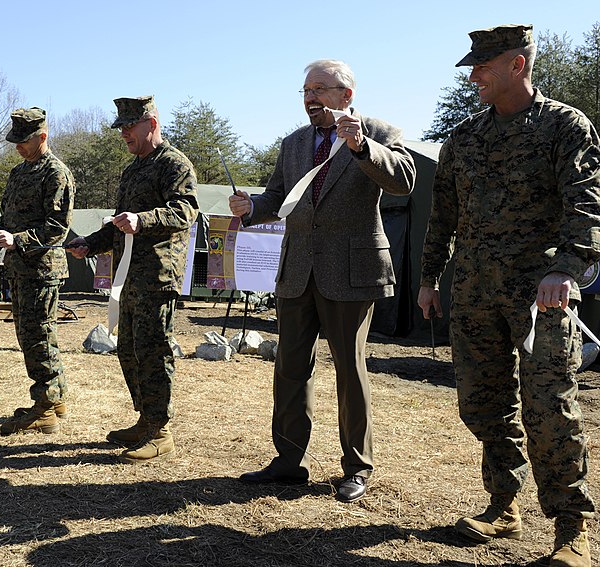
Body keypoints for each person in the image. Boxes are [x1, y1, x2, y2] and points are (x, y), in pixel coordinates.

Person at [418, 24, 600, 567]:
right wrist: (429, 279)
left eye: (483, 66)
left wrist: (567, 268)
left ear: (517, 65)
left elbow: (587, 203)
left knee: (549, 409)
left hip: (541, 296)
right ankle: (504, 504)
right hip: (474, 293)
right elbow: (442, 215)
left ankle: (573, 530)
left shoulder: (564, 126)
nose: (473, 75)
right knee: (483, 405)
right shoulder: (464, 138)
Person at [229, 60, 416, 502]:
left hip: (352, 272)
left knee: (350, 371)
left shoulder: (379, 132)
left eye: (320, 89)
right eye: (306, 90)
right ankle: (289, 462)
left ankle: (357, 467)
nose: (311, 98)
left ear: (346, 94)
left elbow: (403, 182)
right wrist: (251, 208)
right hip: (296, 271)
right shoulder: (294, 143)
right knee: (290, 368)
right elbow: (280, 197)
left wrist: (360, 145)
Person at [68, 96, 198, 463]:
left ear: (151, 124)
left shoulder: (174, 164)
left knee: (153, 351)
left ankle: (161, 431)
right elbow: (119, 224)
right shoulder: (132, 170)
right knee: (129, 349)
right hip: (128, 276)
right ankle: (145, 419)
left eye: (130, 126)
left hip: (157, 275)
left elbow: (185, 210)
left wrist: (145, 220)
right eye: (121, 127)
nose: (123, 133)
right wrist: (89, 244)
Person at [0, 107, 75, 435]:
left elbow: (56, 228)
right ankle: (57, 396)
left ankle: (44, 408)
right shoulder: (19, 173)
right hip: (19, 268)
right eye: (15, 141)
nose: (18, 147)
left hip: (42, 269)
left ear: (43, 136)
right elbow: (9, 217)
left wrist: (17, 238)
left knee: (37, 336)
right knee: (32, 335)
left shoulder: (56, 173)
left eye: (24, 141)